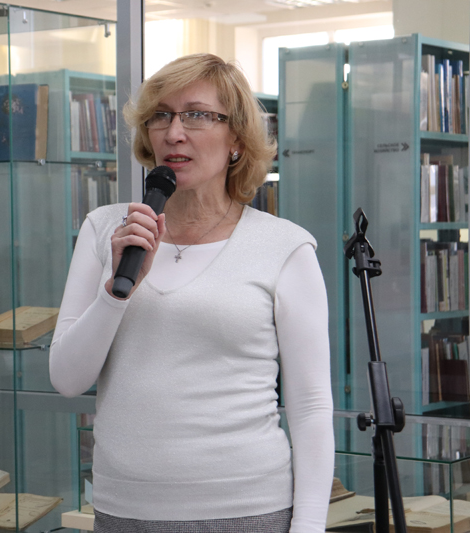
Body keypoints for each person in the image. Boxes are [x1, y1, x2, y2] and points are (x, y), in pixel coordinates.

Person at [49, 53, 334, 533]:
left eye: (197, 115)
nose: (174, 132)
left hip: (247, 512)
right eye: (160, 115)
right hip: (124, 513)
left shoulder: (284, 247)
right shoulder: (106, 230)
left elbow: (310, 408)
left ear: (237, 139)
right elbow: (67, 378)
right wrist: (115, 294)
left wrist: (309, 527)